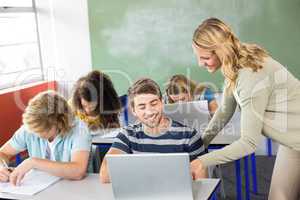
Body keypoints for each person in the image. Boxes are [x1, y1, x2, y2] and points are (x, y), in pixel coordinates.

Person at [190, 18, 300, 200]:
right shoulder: (236, 63)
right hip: (293, 143)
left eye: (205, 58)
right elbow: (225, 110)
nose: (201, 63)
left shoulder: (249, 76)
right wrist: (200, 145)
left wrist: (201, 161)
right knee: (278, 196)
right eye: (198, 57)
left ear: (221, 51)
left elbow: (248, 143)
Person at [99, 78, 207, 183]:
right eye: (142, 107)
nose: (149, 112)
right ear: (134, 111)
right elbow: (105, 175)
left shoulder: (189, 136)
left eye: (154, 103)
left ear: (162, 103)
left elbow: (203, 184)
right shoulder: (127, 134)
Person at [0, 91, 91, 186]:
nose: (36, 134)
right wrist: (2, 168)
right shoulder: (31, 128)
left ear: (60, 122)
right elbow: (3, 153)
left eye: (42, 130)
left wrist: (33, 162)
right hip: (38, 188)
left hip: (74, 188)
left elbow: (78, 171)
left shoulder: (80, 129)